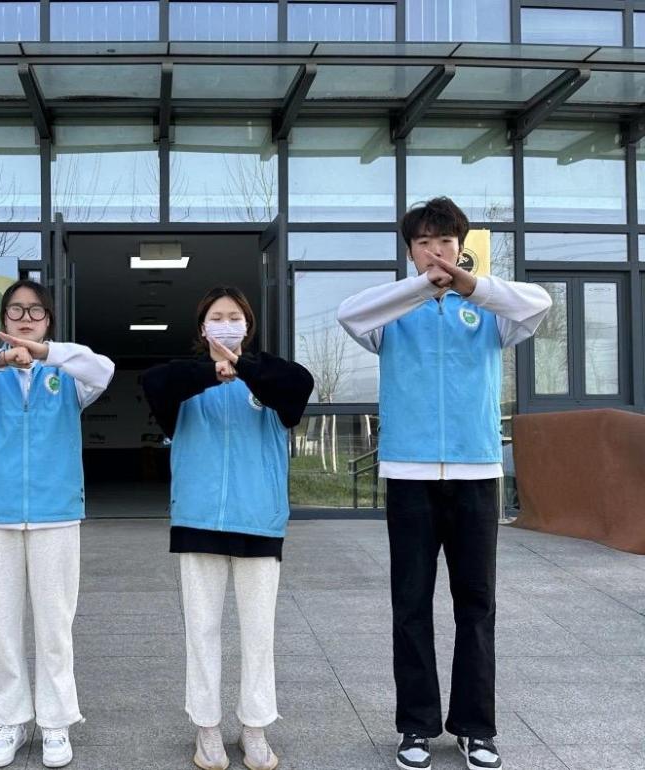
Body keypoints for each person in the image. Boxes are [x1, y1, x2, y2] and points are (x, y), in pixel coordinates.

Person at [337, 197, 552, 770]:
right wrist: (421, 289)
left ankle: (476, 729)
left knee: (476, 605)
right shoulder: (392, 312)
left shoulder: (489, 311)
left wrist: (469, 285)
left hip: (475, 472)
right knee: (410, 603)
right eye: (425, 243)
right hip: (409, 474)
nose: (436, 252)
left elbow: (540, 303)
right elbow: (349, 314)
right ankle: (416, 726)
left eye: (446, 242)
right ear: (410, 251)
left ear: (461, 245)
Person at [0, 279, 115, 769]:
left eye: (36, 310)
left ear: (48, 319)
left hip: (57, 512)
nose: (26, 318)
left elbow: (103, 369)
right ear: (4, 318)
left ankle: (56, 721)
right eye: (16, 309)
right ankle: (8, 718)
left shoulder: (68, 374)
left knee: (55, 625)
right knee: (2, 624)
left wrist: (46, 353)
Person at [142, 287, 314, 770]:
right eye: (216, 316)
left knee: (259, 633)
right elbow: (154, 381)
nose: (226, 323)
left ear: (247, 325)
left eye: (234, 316)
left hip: (259, 519)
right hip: (198, 520)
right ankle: (207, 728)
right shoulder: (184, 383)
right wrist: (211, 370)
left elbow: (300, 385)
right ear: (203, 328)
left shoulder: (270, 379)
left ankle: (255, 727)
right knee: (202, 631)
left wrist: (243, 366)